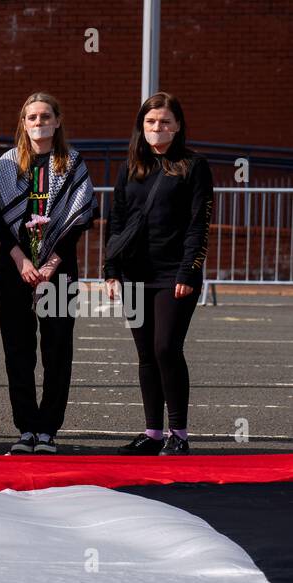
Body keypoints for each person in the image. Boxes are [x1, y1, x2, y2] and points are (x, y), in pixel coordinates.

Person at [107, 93, 213, 457]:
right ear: (142, 125)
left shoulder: (194, 166)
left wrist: (188, 269)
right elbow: (117, 221)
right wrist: (111, 270)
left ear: (178, 125)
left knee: (166, 347)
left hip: (175, 275)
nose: (158, 128)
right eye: (151, 122)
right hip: (136, 272)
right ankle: (153, 433)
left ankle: (179, 433)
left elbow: (198, 223)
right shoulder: (129, 167)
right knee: (145, 353)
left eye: (165, 122)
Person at [0, 92, 94, 454]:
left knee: (56, 349)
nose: (38, 123)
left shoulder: (73, 163)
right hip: (16, 269)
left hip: (59, 271)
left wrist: (50, 264)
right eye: (31, 117)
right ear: (23, 123)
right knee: (18, 350)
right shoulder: (6, 165)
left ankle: (48, 429)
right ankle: (26, 430)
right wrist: (22, 261)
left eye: (45, 116)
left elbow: (79, 220)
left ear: (57, 121)